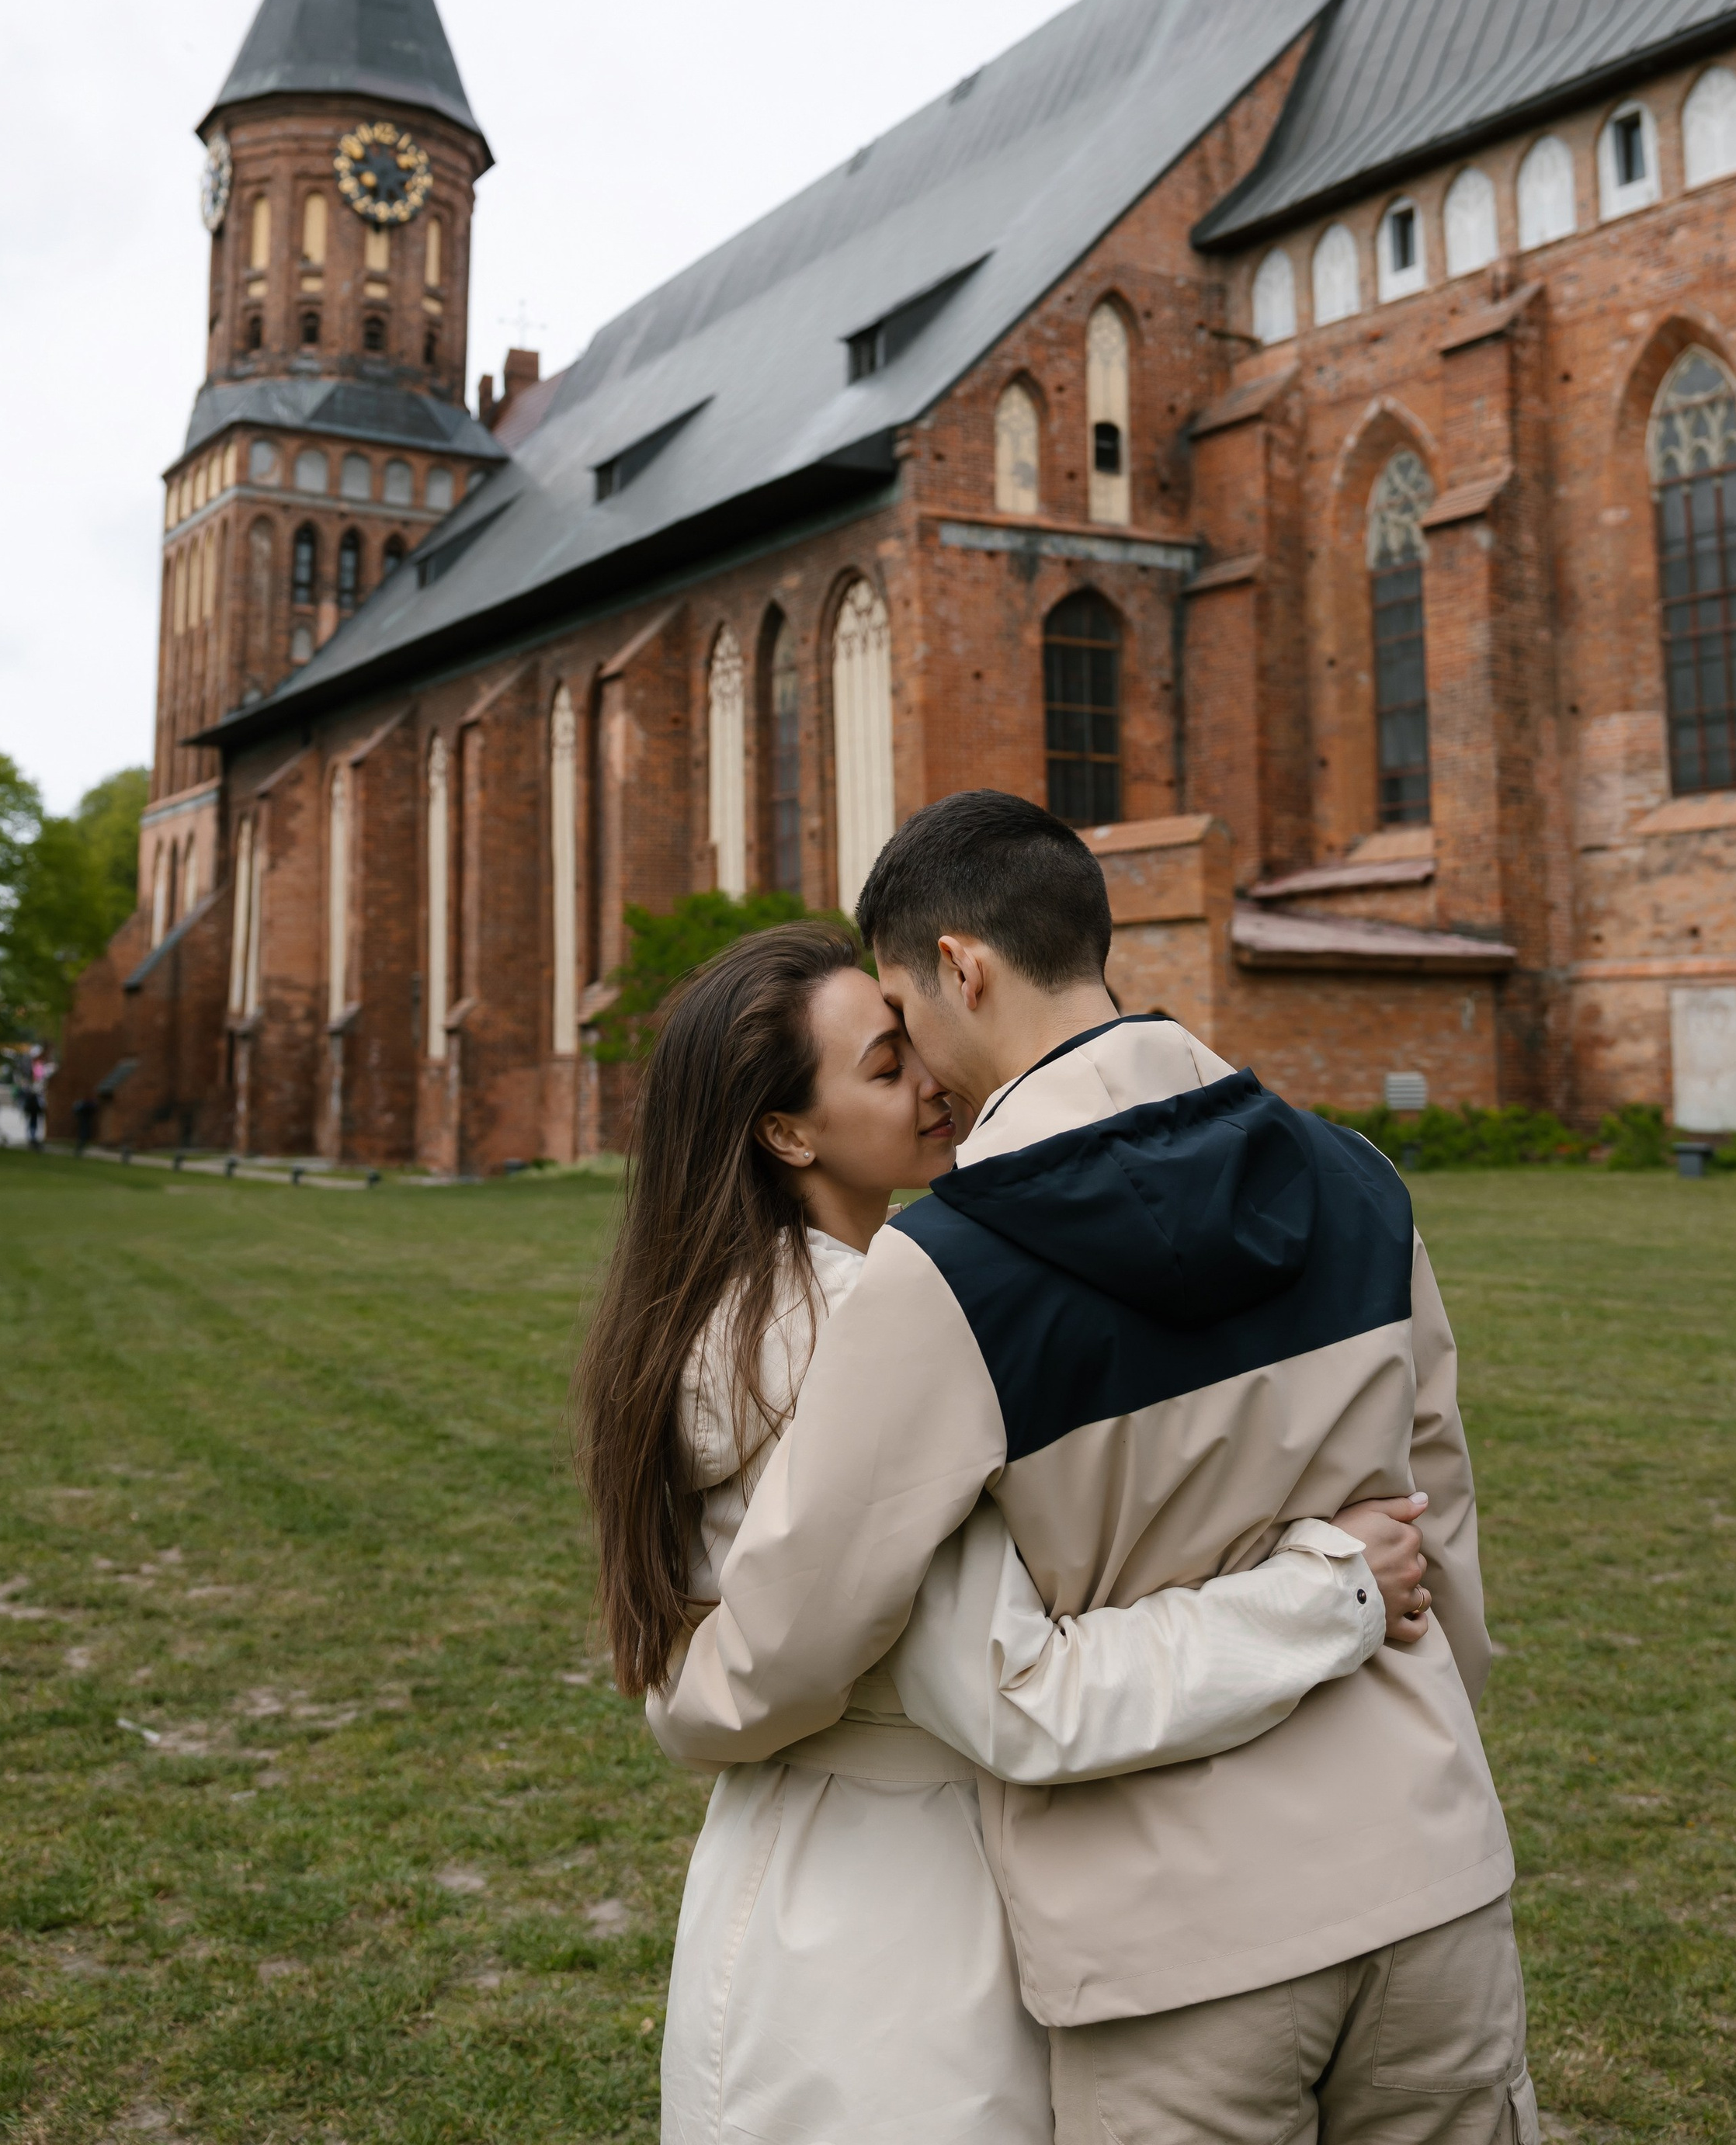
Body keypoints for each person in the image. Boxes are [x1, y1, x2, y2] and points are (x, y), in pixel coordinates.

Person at [653, 793, 1536, 2145]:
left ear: (959, 968)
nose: (923, 1074)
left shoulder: (948, 1278)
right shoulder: (1361, 1183)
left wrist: (684, 1695)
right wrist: (1415, 1761)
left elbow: (856, 1645)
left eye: (904, 1017)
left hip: (1175, 1937)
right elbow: (1439, 1528)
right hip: (1428, 1865)